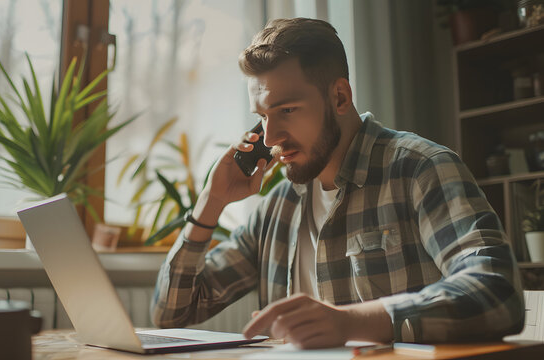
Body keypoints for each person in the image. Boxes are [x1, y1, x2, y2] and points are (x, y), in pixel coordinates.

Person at [150, 18, 524, 349]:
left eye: (287, 110)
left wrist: (352, 322)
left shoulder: (420, 170)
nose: (270, 137)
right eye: (262, 116)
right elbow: (172, 314)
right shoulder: (278, 207)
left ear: (340, 97)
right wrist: (210, 203)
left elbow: (497, 292)